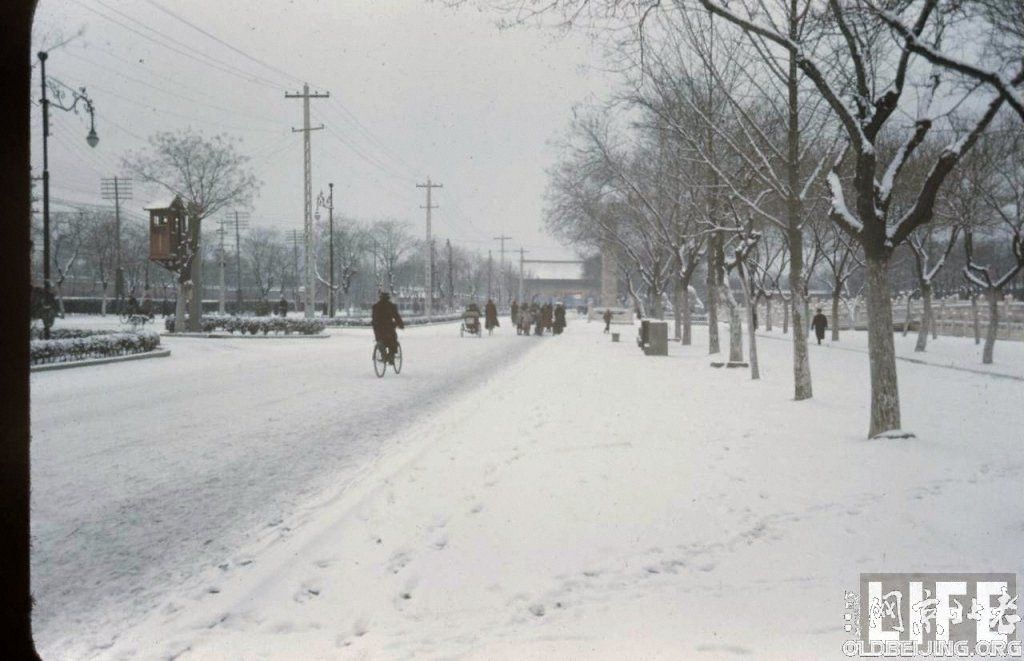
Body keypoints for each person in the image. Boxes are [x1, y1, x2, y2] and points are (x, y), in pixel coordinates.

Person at [372, 291, 405, 363]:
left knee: (380, 341)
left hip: (379, 329)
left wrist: (375, 326)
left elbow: (374, 319)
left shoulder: (376, 307)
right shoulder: (391, 306)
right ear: (388, 298)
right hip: (389, 329)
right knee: (393, 342)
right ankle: (391, 356)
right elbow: (397, 317)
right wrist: (401, 325)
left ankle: (383, 354)